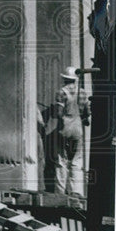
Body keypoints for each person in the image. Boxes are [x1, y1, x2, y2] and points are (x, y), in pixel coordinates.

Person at [49, 66, 90, 196]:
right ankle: (76, 192)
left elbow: (59, 114)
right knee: (77, 161)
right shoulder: (83, 92)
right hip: (78, 130)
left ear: (65, 79)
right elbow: (86, 115)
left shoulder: (61, 92)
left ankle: (60, 193)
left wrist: (55, 111)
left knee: (61, 161)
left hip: (65, 130)